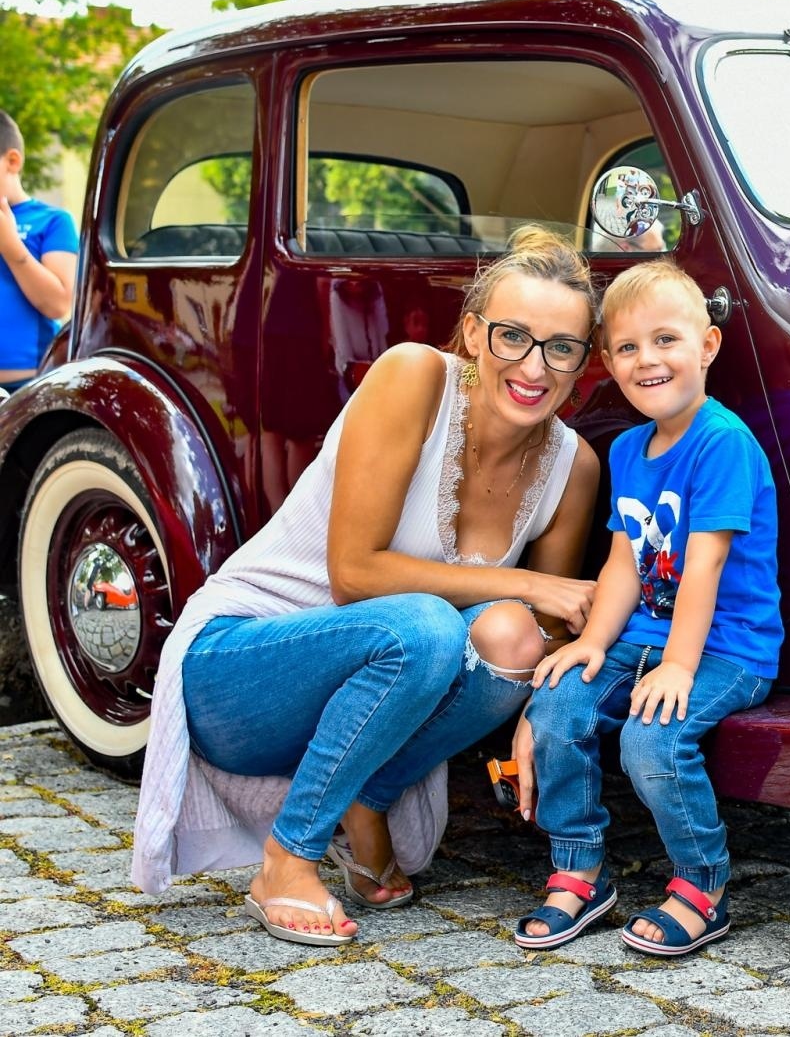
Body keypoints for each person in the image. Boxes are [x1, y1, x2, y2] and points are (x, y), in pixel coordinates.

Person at [131, 226, 601, 947]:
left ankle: (367, 797)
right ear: (474, 334)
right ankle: (288, 860)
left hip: (374, 688)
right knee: (428, 626)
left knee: (515, 634)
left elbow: (554, 627)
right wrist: (531, 579)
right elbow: (354, 574)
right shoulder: (414, 376)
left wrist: (542, 707)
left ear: (582, 361)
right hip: (237, 671)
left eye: (560, 347)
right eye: (512, 336)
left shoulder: (573, 468)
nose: (533, 366)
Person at [512, 259, 782, 956]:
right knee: (558, 704)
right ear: (608, 361)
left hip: (726, 648)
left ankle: (702, 884)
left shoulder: (721, 443)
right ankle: (579, 869)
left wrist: (680, 668)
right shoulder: (630, 448)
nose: (647, 360)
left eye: (666, 340)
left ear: (708, 346)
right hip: (644, 636)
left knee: (650, 740)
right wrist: (594, 642)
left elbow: (706, 564)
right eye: (628, 348)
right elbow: (626, 558)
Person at [0, 110, 76, 392]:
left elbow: (58, 304)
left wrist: (10, 246)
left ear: (12, 161)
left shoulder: (53, 221)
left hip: (27, 388)